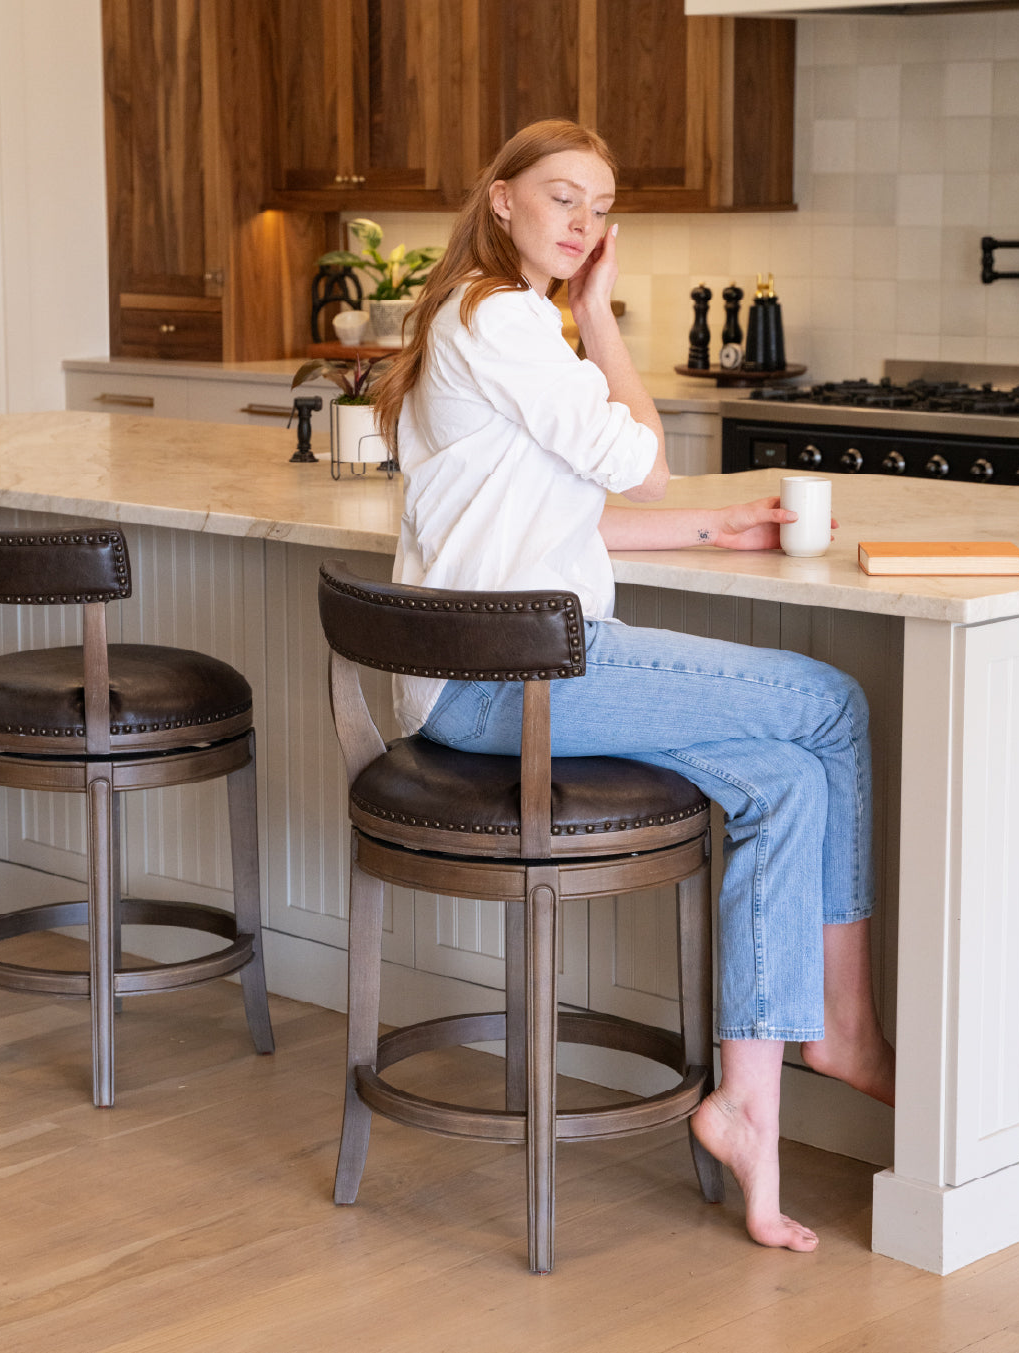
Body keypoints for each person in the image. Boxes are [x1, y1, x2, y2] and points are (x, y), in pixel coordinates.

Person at [369, 118, 895, 1253]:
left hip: (485, 675)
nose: (582, 224)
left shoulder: (472, 319)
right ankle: (845, 1028)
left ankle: (746, 1114)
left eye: (600, 208)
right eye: (563, 197)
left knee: (783, 777)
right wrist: (601, 314)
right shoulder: (505, 316)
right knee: (832, 705)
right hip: (511, 683)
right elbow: (640, 456)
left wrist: (716, 528)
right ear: (499, 197)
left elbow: (563, 511)